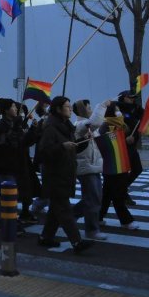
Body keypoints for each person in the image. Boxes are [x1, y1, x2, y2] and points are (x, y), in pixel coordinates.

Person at [36, 96, 93, 253]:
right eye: (67, 107)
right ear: (58, 109)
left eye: (69, 106)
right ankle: (77, 242)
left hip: (66, 173)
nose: (70, 109)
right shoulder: (50, 128)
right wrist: (62, 147)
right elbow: (43, 152)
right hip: (55, 175)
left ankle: (45, 237)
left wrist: (85, 141)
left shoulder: (66, 126)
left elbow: (72, 148)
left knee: (56, 210)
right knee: (65, 210)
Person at [0, 98, 38, 224]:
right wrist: (16, 127)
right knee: (7, 192)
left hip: (19, 162)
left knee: (19, 191)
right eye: (13, 107)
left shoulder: (15, 123)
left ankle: (15, 216)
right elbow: (5, 144)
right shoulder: (2, 124)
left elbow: (23, 143)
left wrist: (33, 130)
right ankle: (3, 220)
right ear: (6, 110)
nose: (16, 109)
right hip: (6, 165)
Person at [72, 99, 109, 240]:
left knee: (94, 198)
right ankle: (91, 230)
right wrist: (102, 105)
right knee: (93, 199)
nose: (91, 110)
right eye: (89, 107)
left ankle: (69, 215)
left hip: (93, 166)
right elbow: (94, 123)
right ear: (82, 110)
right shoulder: (80, 125)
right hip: (85, 168)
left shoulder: (86, 126)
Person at [98, 103, 139, 230]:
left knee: (107, 194)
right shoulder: (105, 126)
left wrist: (130, 140)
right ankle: (126, 221)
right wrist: (123, 140)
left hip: (121, 164)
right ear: (110, 113)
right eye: (116, 110)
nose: (119, 112)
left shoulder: (122, 125)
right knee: (118, 194)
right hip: (112, 166)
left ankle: (98, 216)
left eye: (119, 110)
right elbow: (107, 143)